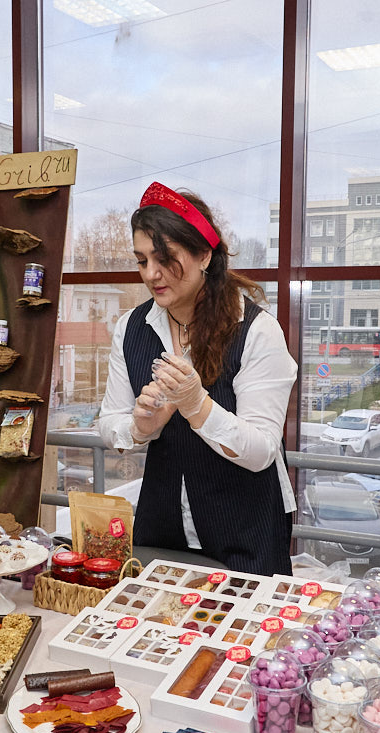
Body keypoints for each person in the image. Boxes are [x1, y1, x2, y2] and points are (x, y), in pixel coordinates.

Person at [98, 182, 296, 575]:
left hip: (246, 527)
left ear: (204, 254)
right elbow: (108, 424)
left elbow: (261, 451)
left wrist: (196, 405)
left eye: (165, 258)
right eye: (141, 261)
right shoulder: (132, 328)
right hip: (164, 524)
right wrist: (140, 427)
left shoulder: (255, 330)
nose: (152, 274)